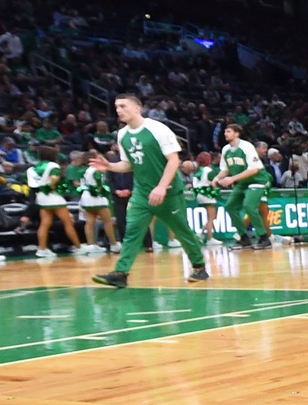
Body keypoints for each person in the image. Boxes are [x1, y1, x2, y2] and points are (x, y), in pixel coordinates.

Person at [87, 93, 210, 288]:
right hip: (142, 193)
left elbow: (173, 160)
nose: (118, 110)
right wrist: (110, 166)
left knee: (182, 231)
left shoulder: (157, 129)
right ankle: (121, 273)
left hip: (168, 192)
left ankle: (199, 266)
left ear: (137, 108)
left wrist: (161, 187)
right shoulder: (122, 134)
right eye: (117, 107)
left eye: (123, 106)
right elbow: (128, 165)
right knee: (132, 232)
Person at [215, 123, 274, 250]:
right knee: (230, 206)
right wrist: (216, 178)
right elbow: (224, 170)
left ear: (236, 134)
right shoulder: (226, 149)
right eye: (225, 131)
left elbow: (253, 170)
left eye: (228, 131)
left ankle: (264, 237)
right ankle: (243, 238)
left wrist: (232, 178)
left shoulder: (246, 146)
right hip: (242, 182)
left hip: (257, 180)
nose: (225, 133)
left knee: (249, 205)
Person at [27, 144, 84, 258]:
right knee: (68, 223)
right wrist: (52, 186)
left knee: (44, 224)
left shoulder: (35, 167)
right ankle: (79, 247)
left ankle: (41, 249)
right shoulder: (53, 165)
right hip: (53, 197)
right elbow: (54, 178)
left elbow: (33, 185)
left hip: (42, 197)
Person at [77, 151, 119, 252]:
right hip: (96, 197)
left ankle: (91, 245)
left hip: (85, 197)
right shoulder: (96, 170)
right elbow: (99, 185)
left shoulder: (83, 170)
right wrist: (102, 191)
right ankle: (113, 244)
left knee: (90, 222)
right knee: (108, 221)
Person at [192, 151, 222, 245]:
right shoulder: (208, 170)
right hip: (207, 194)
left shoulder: (198, 170)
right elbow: (214, 180)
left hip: (199, 194)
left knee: (211, 216)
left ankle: (201, 234)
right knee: (212, 217)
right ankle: (208, 238)